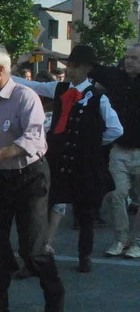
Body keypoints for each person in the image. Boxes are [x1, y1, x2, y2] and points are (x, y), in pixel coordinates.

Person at [0, 46, 64, 312]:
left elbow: (34, 139)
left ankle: (54, 293)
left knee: (32, 250)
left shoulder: (25, 97)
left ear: (0, 70)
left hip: (29, 178)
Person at [12, 45, 123, 272]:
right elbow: (32, 85)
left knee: (86, 213)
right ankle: (36, 257)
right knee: (42, 208)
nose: (71, 70)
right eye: (70, 66)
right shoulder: (59, 88)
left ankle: (85, 256)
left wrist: (92, 143)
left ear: (88, 69)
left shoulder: (98, 97)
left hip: (85, 164)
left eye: (77, 66)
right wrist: (6, 73)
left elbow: (115, 129)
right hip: (58, 160)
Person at [89, 44, 140, 258]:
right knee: (117, 195)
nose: (129, 61)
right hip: (119, 149)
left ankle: (137, 242)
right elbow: (89, 66)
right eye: (127, 57)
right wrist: (49, 54)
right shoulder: (116, 77)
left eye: (135, 58)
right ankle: (120, 239)